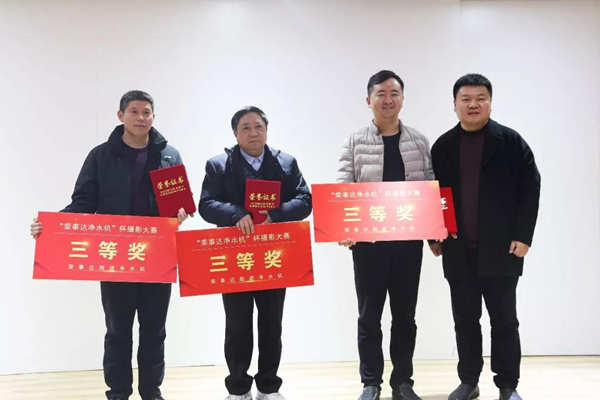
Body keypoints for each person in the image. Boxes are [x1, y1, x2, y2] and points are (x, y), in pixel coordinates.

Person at [30, 90, 189, 400]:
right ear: (121, 116)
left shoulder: (169, 155)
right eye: (134, 111)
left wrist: (180, 212)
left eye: (146, 112)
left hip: (157, 256)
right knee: (118, 330)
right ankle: (118, 393)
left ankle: (151, 392)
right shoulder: (100, 156)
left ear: (153, 116)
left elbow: (178, 203)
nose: (141, 117)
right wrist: (50, 226)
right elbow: (83, 202)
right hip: (115, 256)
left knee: (155, 329)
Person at [429, 74, 541, 400]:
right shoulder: (443, 147)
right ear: (454, 105)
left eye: (481, 98)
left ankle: (507, 385)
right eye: (466, 99)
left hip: (503, 248)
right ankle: (468, 381)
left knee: (504, 321)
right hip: (457, 249)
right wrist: (433, 236)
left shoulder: (511, 142)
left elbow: (530, 189)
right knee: (465, 320)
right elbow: (431, 195)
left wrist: (523, 235)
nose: (473, 104)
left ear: (491, 102)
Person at [199, 106, 312, 400]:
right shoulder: (218, 165)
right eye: (246, 128)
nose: (253, 133)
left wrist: (276, 214)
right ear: (235, 133)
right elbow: (206, 205)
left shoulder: (285, 163)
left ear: (266, 130)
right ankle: (238, 389)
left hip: (274, 255)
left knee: (272, 323)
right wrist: (235, 213)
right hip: (235, 256)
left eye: (258, 126)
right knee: (237, 324)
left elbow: (305, 200)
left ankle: (268, 387)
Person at [338, 70, 434, 400]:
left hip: (408, 244)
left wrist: (434, 235)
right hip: (368, 246)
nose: (388, 99)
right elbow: (343, 187)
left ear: (403, 99)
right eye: (381, 94)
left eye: (394, 93)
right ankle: (370, 383)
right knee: (369, 317)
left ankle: (402, 382)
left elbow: (430, 189)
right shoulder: (354, 142)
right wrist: (344, 229)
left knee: (405, 316)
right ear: (369, 100)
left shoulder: (419, 141)